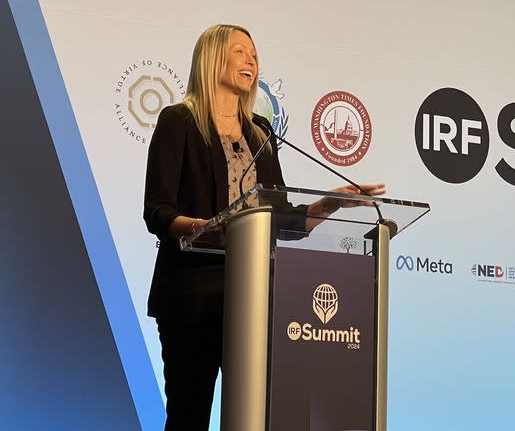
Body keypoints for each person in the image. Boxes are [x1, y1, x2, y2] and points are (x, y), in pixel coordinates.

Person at [143, 24, 384, 430]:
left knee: (258, 414)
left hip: (255, 296)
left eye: (254, 54)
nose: (251, 61)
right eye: (240, 52)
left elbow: (283, 221)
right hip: (193, 293)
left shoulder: (261, 133)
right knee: (189, 414)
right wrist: (204, 227)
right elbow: (158, 210)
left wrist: (330, 203)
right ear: (212, 57)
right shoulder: (179, 121)